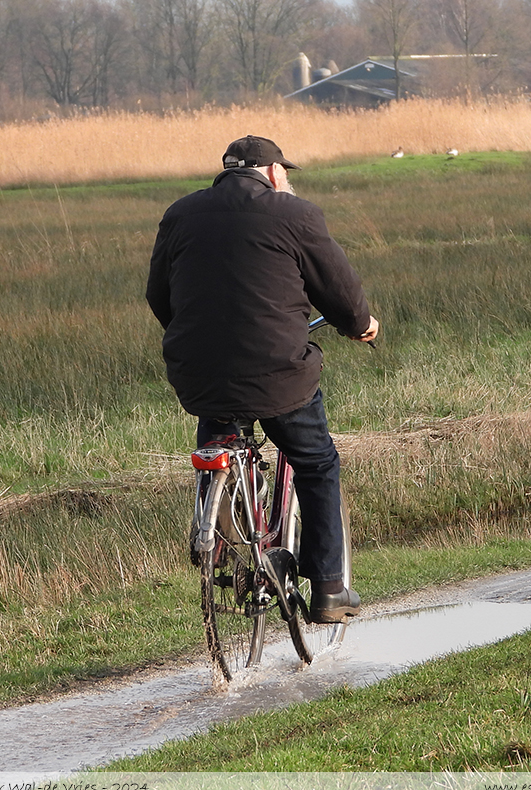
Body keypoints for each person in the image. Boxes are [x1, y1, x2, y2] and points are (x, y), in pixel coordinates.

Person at [146, 134, 379, 623]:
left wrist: (196, 337)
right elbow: (338, 288)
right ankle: (330, 589)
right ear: (272, 173)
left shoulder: (180, 213)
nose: (288, 180)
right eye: (286, 173)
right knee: (317, 462)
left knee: (218, 429)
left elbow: (158, 295)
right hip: (278, 374)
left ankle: (212, 524)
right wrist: (361, 326)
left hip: (199, 372)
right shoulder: (295, 214)